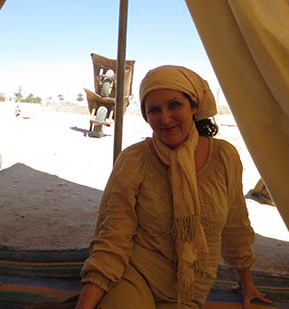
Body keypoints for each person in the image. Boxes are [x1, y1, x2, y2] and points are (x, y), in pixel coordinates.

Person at [76, 65, 271, 309]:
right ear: (146, 116)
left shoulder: (224, 157)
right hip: (137, 272)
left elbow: (235, 222)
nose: (165, 119)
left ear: (194, 107)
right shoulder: (134, 159)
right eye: (154, 110)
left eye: (174, 105)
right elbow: (114, 235)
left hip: (191, 285)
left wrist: (247, 280)